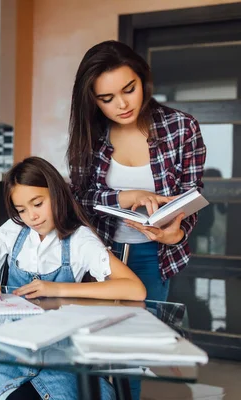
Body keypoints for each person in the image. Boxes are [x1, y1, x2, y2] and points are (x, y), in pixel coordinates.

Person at [0, 156, 146, 400]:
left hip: (61, 354)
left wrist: (57, 288)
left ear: (56, 194)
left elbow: (135, 289)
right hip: (12, 351)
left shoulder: (79, 240)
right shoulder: (13, 231)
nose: (31, 217)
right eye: (22, 210)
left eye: (38, 203)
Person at [66, 40, 206, 302]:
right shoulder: (89, 134)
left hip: (156, 254)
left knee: (146, 335)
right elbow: (79, 198)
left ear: (143, 80)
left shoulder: (182, 128)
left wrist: (176, 234)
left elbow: (192, 194)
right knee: (97, 335)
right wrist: (127, 197)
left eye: (129, 90)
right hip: (99, 251)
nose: (122, 104)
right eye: (107, 99)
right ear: (93, 100)